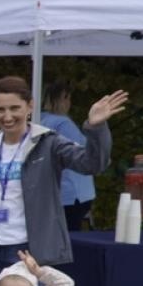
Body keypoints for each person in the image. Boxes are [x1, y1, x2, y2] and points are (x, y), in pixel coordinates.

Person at [0, 75, 126, 286]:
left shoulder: (48, 143)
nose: (7, 116)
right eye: (0, 110)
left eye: (15, 108)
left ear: (30, 105)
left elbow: (92, 164)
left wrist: (95, 128)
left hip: (26, 248)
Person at [40, 81, 99, 233]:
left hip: (50, 190)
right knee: (71, 235)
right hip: (72, 192)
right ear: (62, 99)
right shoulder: (63, 123)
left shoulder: (39, 120)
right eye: (68, 98)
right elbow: (81, 153)